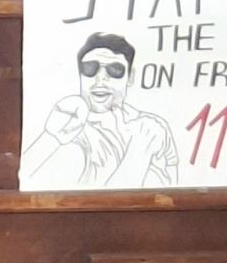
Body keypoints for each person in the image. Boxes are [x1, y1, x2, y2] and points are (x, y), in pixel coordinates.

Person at [21, 32, 179, 189]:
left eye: (115, 69)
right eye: (90, 68)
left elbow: (175, 185)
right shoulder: (69, 132)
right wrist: (140, 149)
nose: (100, 78)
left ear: (130, 77)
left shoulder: (153, 126)